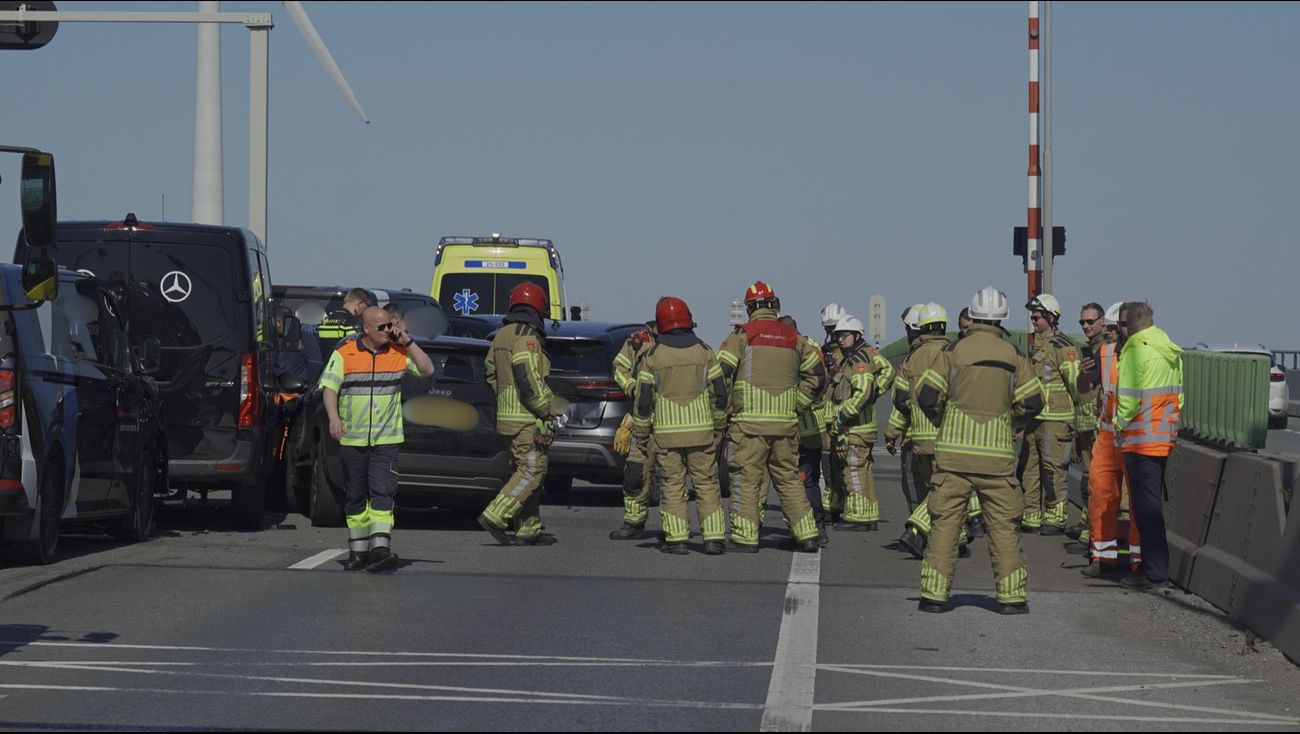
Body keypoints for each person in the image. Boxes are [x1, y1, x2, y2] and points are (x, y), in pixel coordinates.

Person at [916, 287, 1045, 614]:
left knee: (945, 526)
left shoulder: (954, 351)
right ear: (1002, 318)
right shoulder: (1013, 354)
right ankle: (1012, 599)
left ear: (971, 316)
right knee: (1003, 529)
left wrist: (943, 420)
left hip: (953, 459)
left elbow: (927, 396)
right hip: (998, 460)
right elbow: (1034, 401)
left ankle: (934, 597)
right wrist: (1012, 420)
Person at [320, 306, 435, 572]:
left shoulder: (398, 352)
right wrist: (334, 418)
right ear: (366, 328)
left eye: (389, 326)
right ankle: (358, 551)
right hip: (352, 439)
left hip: (386, 440)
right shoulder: (345, 353)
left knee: (382, 493)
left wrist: (407, 340)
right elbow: (329, 388)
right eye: (381, 327)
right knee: (355, 497)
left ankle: (381, 548)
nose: (387, 331)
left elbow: (427, 369)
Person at [717, 281, 824, 553]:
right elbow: (818, 377)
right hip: (786, 426)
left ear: (749, 308)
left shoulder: (741, 336)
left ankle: (745, 538)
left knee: (746, 480)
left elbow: (720, 375)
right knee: (789, 480)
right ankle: (808, 535)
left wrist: (723, 411)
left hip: (748, 427)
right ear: (775, 305)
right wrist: (797, 405)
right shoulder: (795, 338)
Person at [631, 297, 730, 555]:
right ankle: (714, 539)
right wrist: (719, 424)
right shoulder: (704, 351)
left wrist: (641, 433)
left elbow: (643, 400)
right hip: (702, 434)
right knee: (707, 484)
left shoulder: (653, 356)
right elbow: (720, 392)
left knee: (672, 485)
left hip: (667, 437)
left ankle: (677, 540)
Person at [479, 282, 562, 546]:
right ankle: (495, 515)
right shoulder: (527, 337)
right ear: (538, 308)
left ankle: (528, 529)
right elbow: (528, 378)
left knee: (524, 471)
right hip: (527, 418)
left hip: (507, 418)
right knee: (532, 471)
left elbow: (490, 371)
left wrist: (505, 399)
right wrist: (545, 409)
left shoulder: (501, 335)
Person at [1113, 301, 1183, 590]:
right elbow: (1179, 396)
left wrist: (1116, 425)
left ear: (1129, 325)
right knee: (1151, 506)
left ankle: (1154, 573)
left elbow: (1128, 401)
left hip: (1140, 440)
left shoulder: (1134, 350)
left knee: (1145, 511)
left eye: (1121, 324)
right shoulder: (1169, 349)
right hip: (1163, 436)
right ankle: (1154, 570)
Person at [1081, 302, 1143, 577]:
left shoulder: (1144, 354)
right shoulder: (1105, 353)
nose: (1113, 332)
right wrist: (1083, 374)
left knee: (1136, 503)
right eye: (1112, 327)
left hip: (1135, 437)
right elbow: (1086, 386)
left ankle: (1138, 561)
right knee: (1100, 497)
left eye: (1119, 327)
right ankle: (1102, 559)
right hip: (1108, 437)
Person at [889, 303, 950, 557]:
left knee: (931, 488)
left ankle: (946, 537)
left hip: (919, 438)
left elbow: (899, 398)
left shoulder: (911, 358)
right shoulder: (952, 353)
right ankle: (918, 530)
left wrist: (909, 417)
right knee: (945, 489)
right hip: (947, 437)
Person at [1019, 294, 1080, 534]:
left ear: (1051, 317)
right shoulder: (1036, 346)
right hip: (1034, 418)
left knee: (1053, 469)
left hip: (1056, 419)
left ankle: (1056, 517)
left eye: (1037, 317)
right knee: (1029, 468)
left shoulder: (1063, 346)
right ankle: (1031, 515)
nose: (1033, 320)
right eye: (1033, 317)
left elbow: (1075, 384)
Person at [828, 314, 894, 530]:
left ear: (857, 336)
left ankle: (858, 517)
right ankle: (869, 515)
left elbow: (863, 392)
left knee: (853, 470)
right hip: (863, 425)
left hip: (856, 427)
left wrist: (843, 415)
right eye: (838, 336)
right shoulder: (859, 355)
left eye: (845, 336)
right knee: (864, 470)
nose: (840, 340)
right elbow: (884, 374)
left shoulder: (858, 360)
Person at [609, 319, 659, 540]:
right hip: (641, 419)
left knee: (673, 479)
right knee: (635, 473)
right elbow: (619, 367)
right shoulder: (638, 342)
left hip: (671, 422)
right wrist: (631, 386)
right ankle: (633, 524)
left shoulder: (682, 343)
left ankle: (675, 531)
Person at [784, 315, 832, 545]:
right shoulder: (812, 346)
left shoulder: (792, 349)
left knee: (801, 481)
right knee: (808, 479)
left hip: (798, 427)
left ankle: (813, 528)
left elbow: (816, 382)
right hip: (812, 426)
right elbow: (821, 381)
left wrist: (795, 406)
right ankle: (812, 528)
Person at [1066, 302, 1107, 551]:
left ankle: (1091, 533)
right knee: (1089, 478)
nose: (1086, 326)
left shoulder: (1105, 351)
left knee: (1095, 480)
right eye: (1082, 322)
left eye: (1091, 321)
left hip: (1097, 424)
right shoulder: (1090, 350)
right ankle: (1087, 526)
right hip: (1086, 422)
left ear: (1102, 321)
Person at [817, 302, 848, 523]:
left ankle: (844, 504)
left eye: (834, 328)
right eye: (828, 329)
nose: (832, 333)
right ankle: (831, 506)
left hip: (845, 415)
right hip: (826, 416)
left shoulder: (855, 354)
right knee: (828, 464)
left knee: (844, 464)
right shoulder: (824, 352)